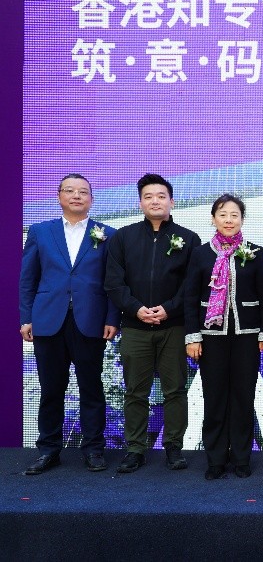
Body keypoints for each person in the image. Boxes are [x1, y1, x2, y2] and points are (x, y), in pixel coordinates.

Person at [19, 174, 120, 474]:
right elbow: (28, 279)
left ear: (91, 199)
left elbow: (113, 282)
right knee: (51, 389)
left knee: (92, 388)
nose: (77, 195)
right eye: (70, 190)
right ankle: (48, 450)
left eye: (83, 192)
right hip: (48, 320)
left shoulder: (108, 234)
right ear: (59, 196)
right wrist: (26, 317)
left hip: (90, 321)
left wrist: (112, 318)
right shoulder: (40, 231)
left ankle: (94, 449)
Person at [105, 173, 201, 473]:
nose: (155, 201)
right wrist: (136, 309)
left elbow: (192, 285)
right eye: (148, 197)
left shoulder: (189, 239)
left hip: (173, 327)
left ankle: (173, 446)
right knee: (136, 391)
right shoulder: (123, 237)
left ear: (172, 202)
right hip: (135, 328)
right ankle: (135, 448)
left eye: (161, 196)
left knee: (175, 390)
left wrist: (168, 309)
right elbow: (114, 282)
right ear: (140, 203)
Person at [184, 194, 263, 480]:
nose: (229, 220)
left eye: (234, 215)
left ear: (242, 219)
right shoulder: (200, 253)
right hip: (211, 337)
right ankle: (216, 459)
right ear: (213, 219)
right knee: (215, 397)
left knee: (244, 397)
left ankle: (242, 457)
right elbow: (190, 297)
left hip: (247, 336)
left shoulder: (254, 252)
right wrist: (192, 336)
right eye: (223, 214)